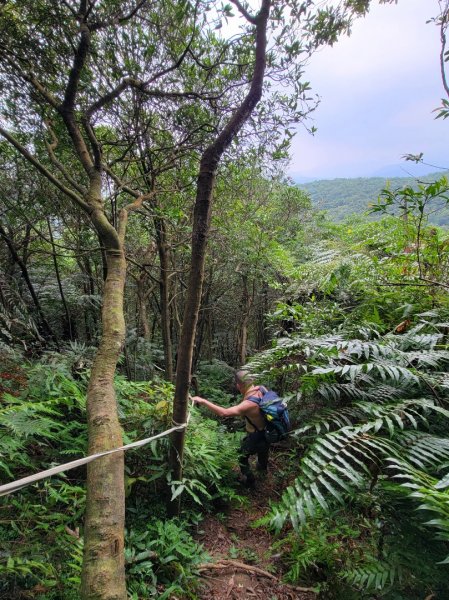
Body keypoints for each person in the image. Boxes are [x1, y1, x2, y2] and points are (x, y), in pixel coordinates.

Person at [192, 370, 271, 487]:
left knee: (242, 456)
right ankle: (262, 469)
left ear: (239, 385)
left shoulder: (249, 404)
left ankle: (250, 481)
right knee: (263, 450)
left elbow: (224, 413)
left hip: (255, 436)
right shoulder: (262, 389)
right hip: (268, 432)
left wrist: (203, 401)